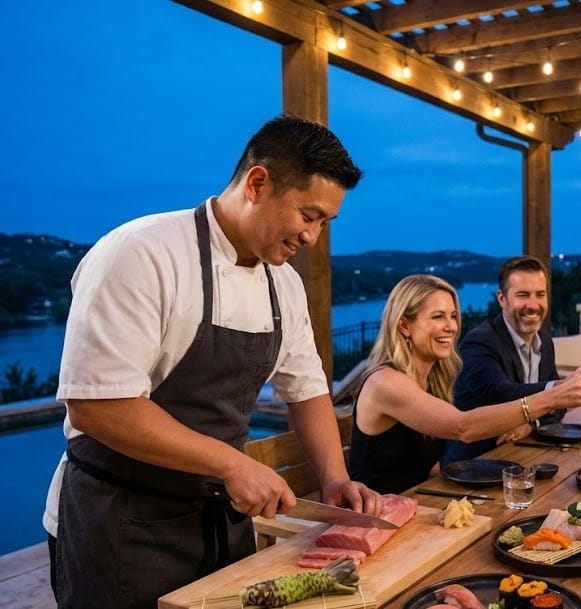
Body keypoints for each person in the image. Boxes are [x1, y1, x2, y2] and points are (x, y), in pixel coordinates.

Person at [43, 115, 381, 609]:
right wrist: (229, 462)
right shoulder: (141, 253)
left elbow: (307, 391)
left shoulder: (283, 283)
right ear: (258, 183)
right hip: (119, 525)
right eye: (309, 215)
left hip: (223, 521)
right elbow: (97, 406)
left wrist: (333, 478)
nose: (314, 236)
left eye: (325, 223)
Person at [347, 274, 581, 494]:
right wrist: (554, 396)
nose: (451, 326)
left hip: (418, 505)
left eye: (453, 316)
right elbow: (463, 427)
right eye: (438, 316)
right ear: (404, 325)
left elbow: (426, 465)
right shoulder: (386, 382)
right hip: (374, 523)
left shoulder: (434, 380)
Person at [443, 255, 581, 465]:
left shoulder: (544, 341)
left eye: (540, 294)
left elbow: (558, 408)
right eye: (523, 295)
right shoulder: (479, 342)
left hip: (523, 458)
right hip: (473, 464)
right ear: (502, 298)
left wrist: (531, 422)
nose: (533, 305)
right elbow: (499, 393)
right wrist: (560, 389)